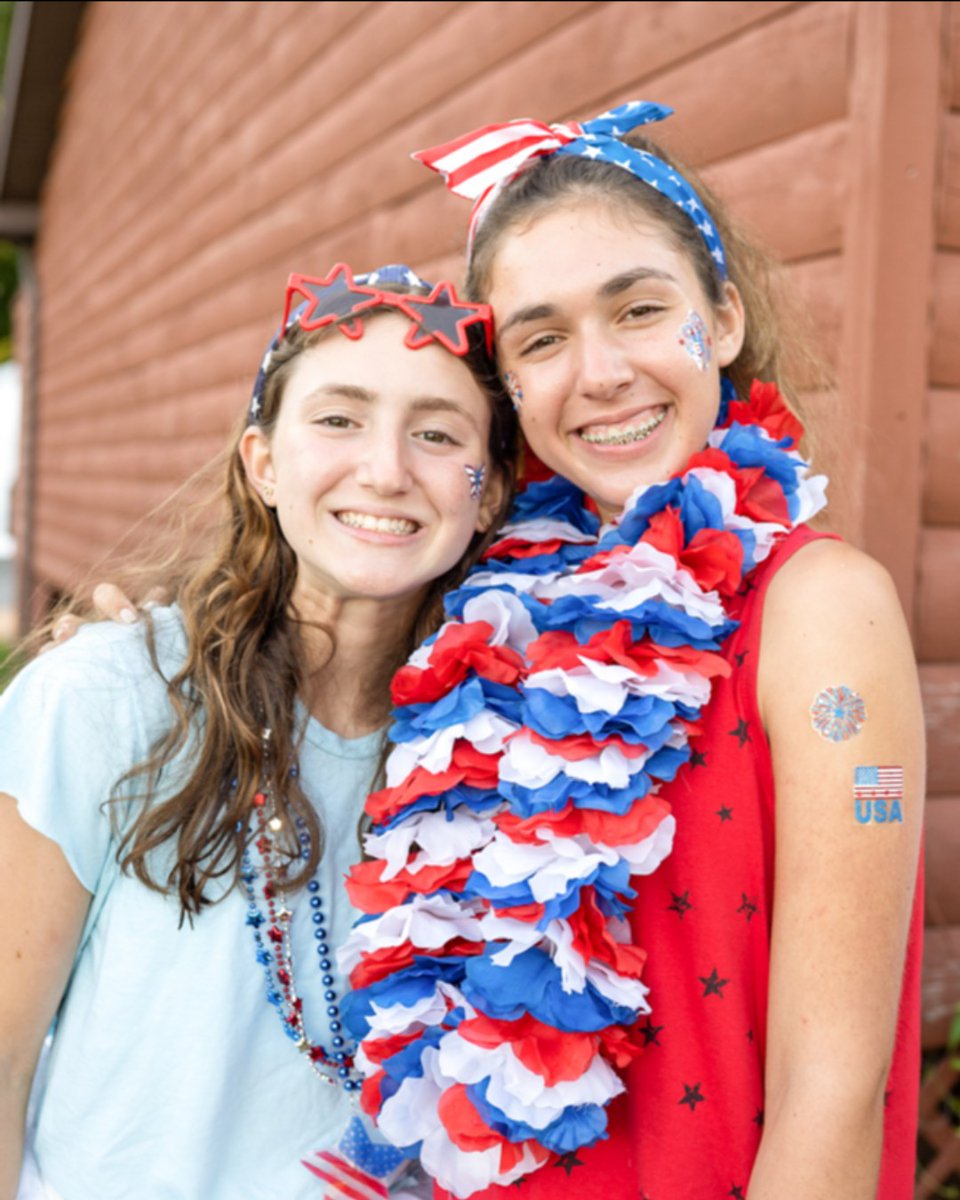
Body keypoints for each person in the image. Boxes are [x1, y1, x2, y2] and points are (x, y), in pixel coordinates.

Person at [337, 104, 925, 1200]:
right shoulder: (486, 620)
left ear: (725, 319)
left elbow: (832, 1096)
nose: (600, 373)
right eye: (542, 339)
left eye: (641, 310)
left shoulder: (822, 610)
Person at [0, 263, 517, 1200]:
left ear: (487, 494)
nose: (386, 469)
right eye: (339, 419)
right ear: (264, 463)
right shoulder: (108, 699)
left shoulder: (509, 760)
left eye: (438, 434)